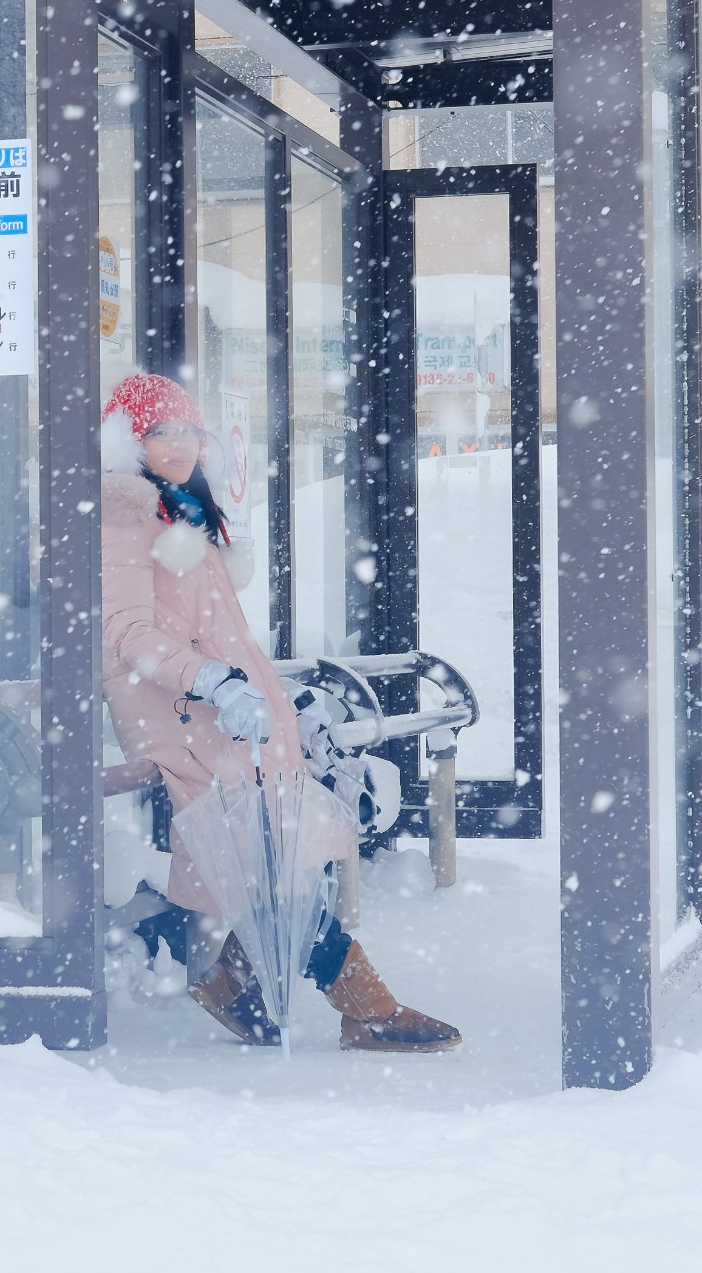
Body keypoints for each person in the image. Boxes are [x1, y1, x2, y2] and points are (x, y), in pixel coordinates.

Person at [99, 372, 460, 1054]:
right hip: (173, 711)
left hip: (212, 708)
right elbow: (126, 631)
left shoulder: (181, 510)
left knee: (270, 838)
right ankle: (365, 1003)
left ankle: (232, 976)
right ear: (131, 440)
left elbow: (224, 634)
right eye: (158, 431)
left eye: (187, 429)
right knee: (263, 845)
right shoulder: (125, 512)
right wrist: (211, 680)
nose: (177, 443)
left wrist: (280, 696)